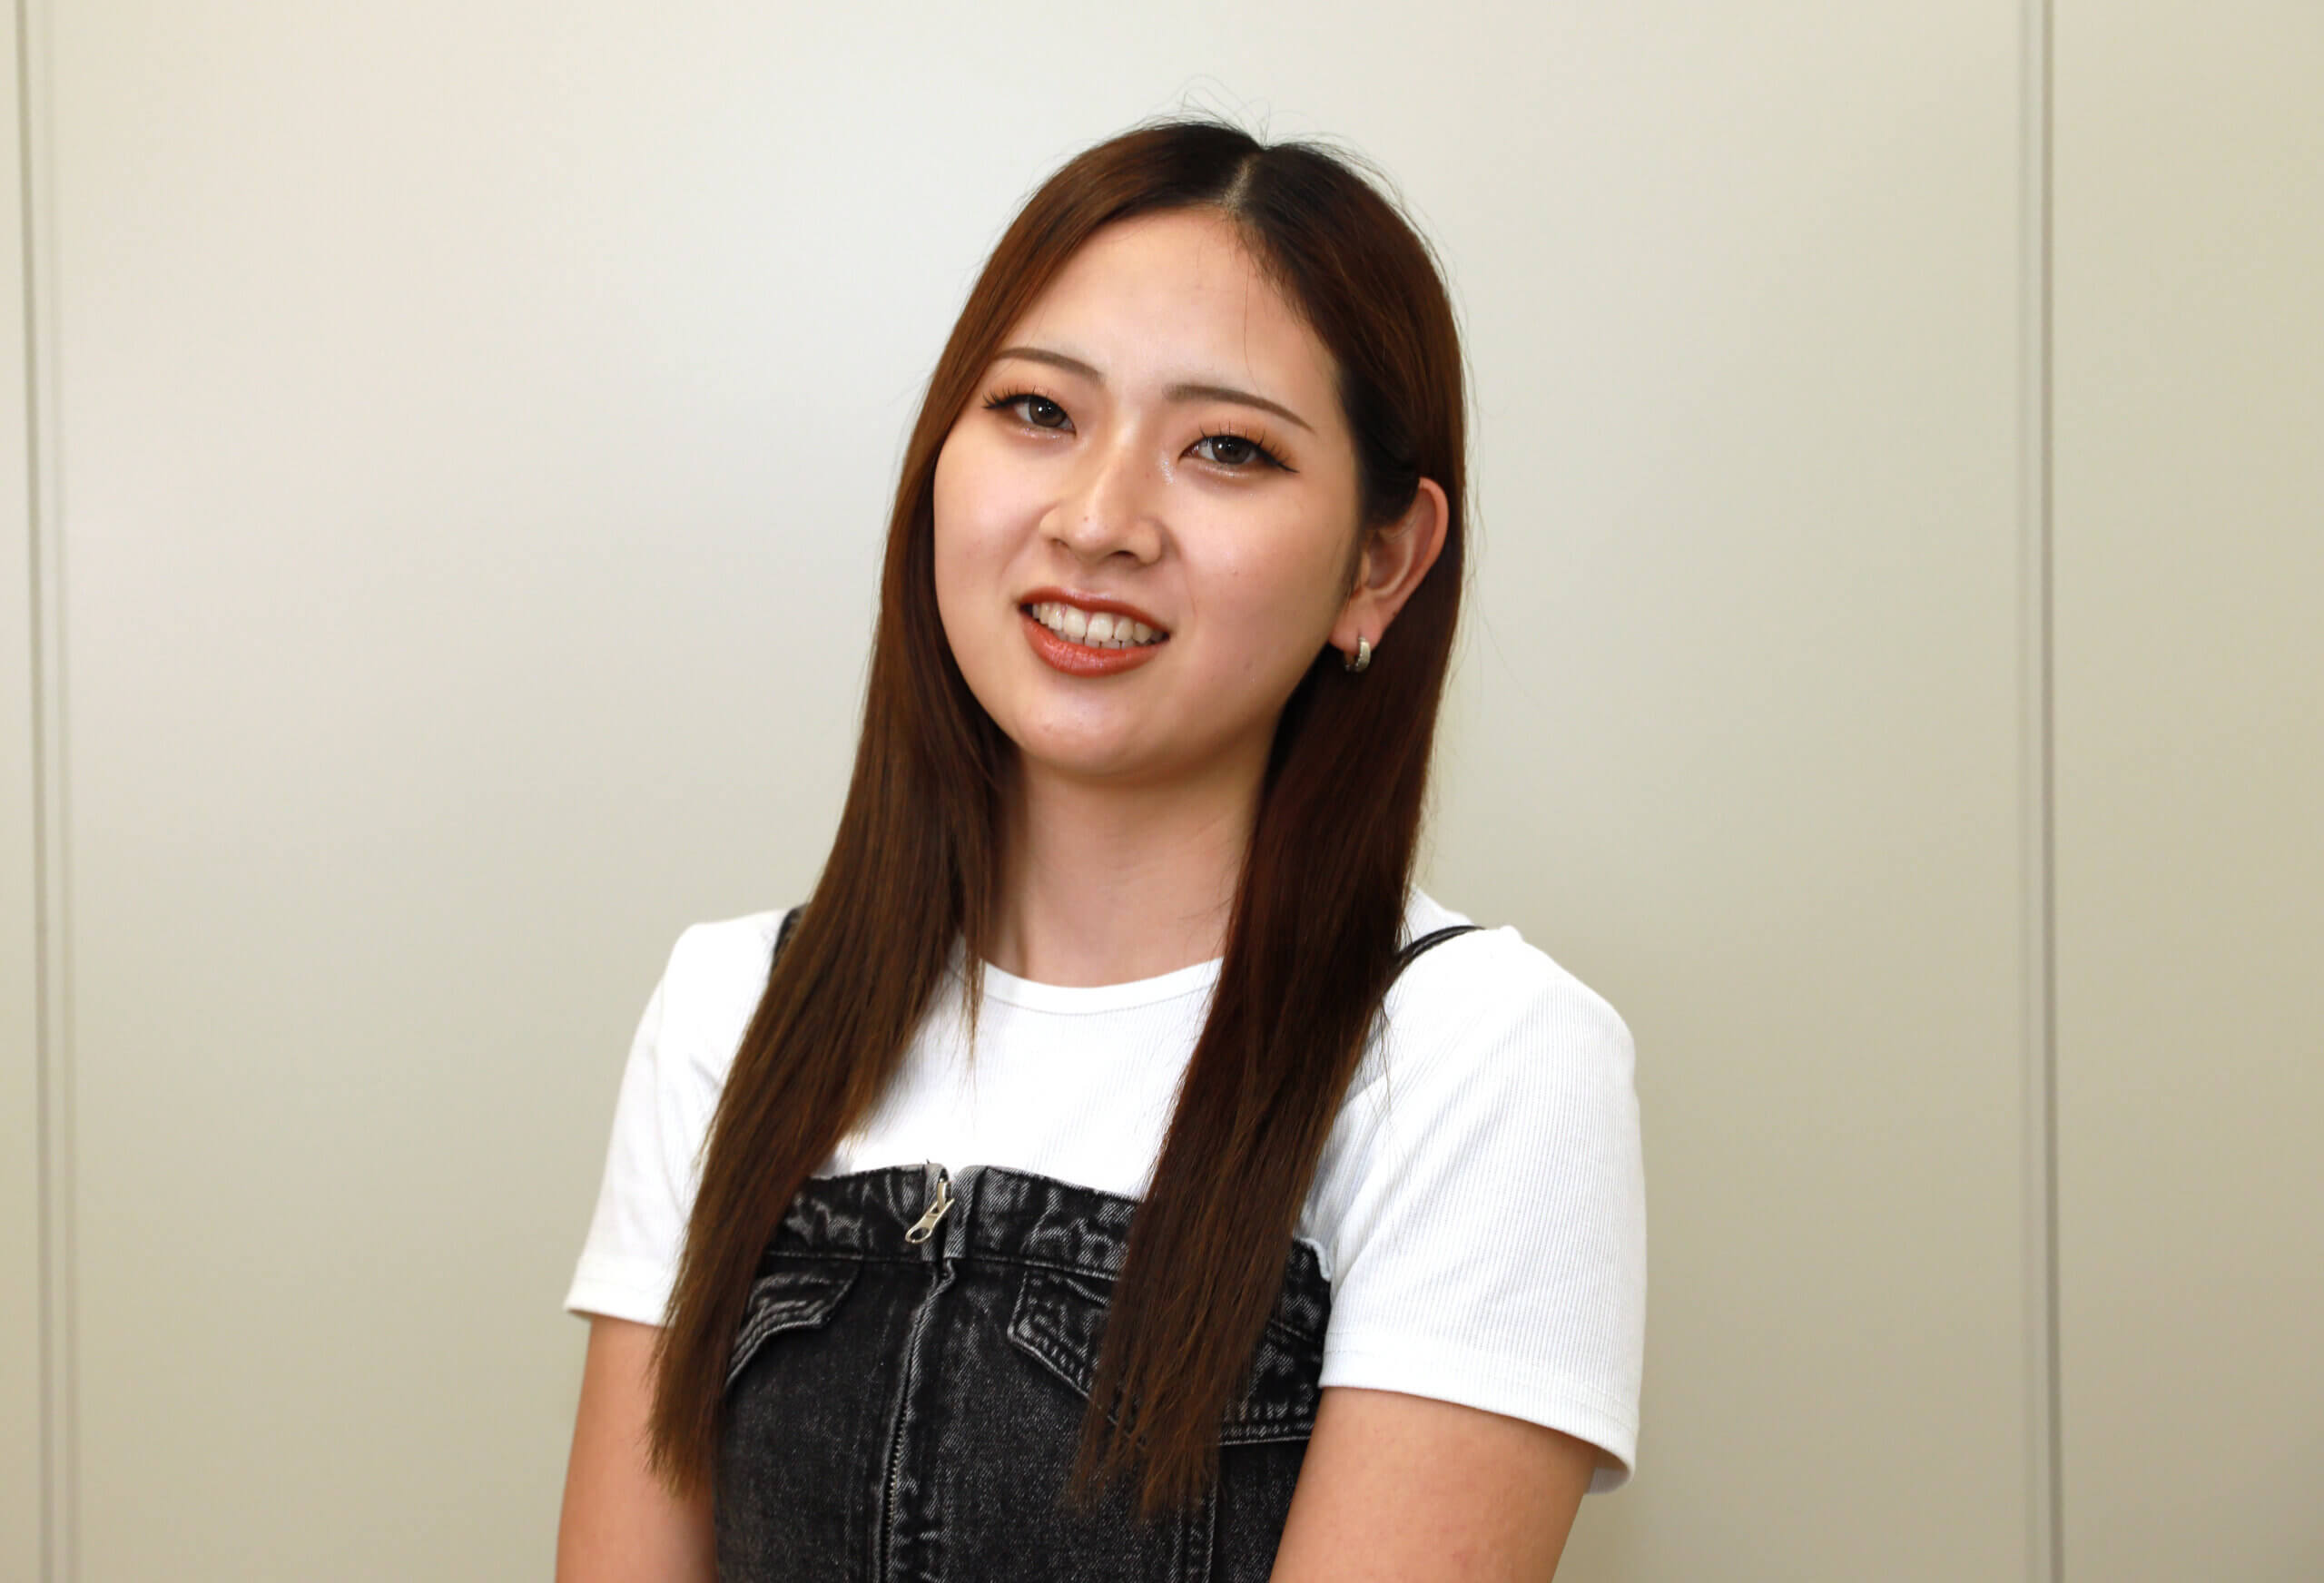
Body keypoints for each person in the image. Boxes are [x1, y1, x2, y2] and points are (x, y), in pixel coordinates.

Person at [555, 118, 1646, 1583]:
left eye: (1226, 449)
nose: (1098, 520)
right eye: (1037, 411)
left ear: (1379, 563)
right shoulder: (734, 1007)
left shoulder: (1479, 1060)